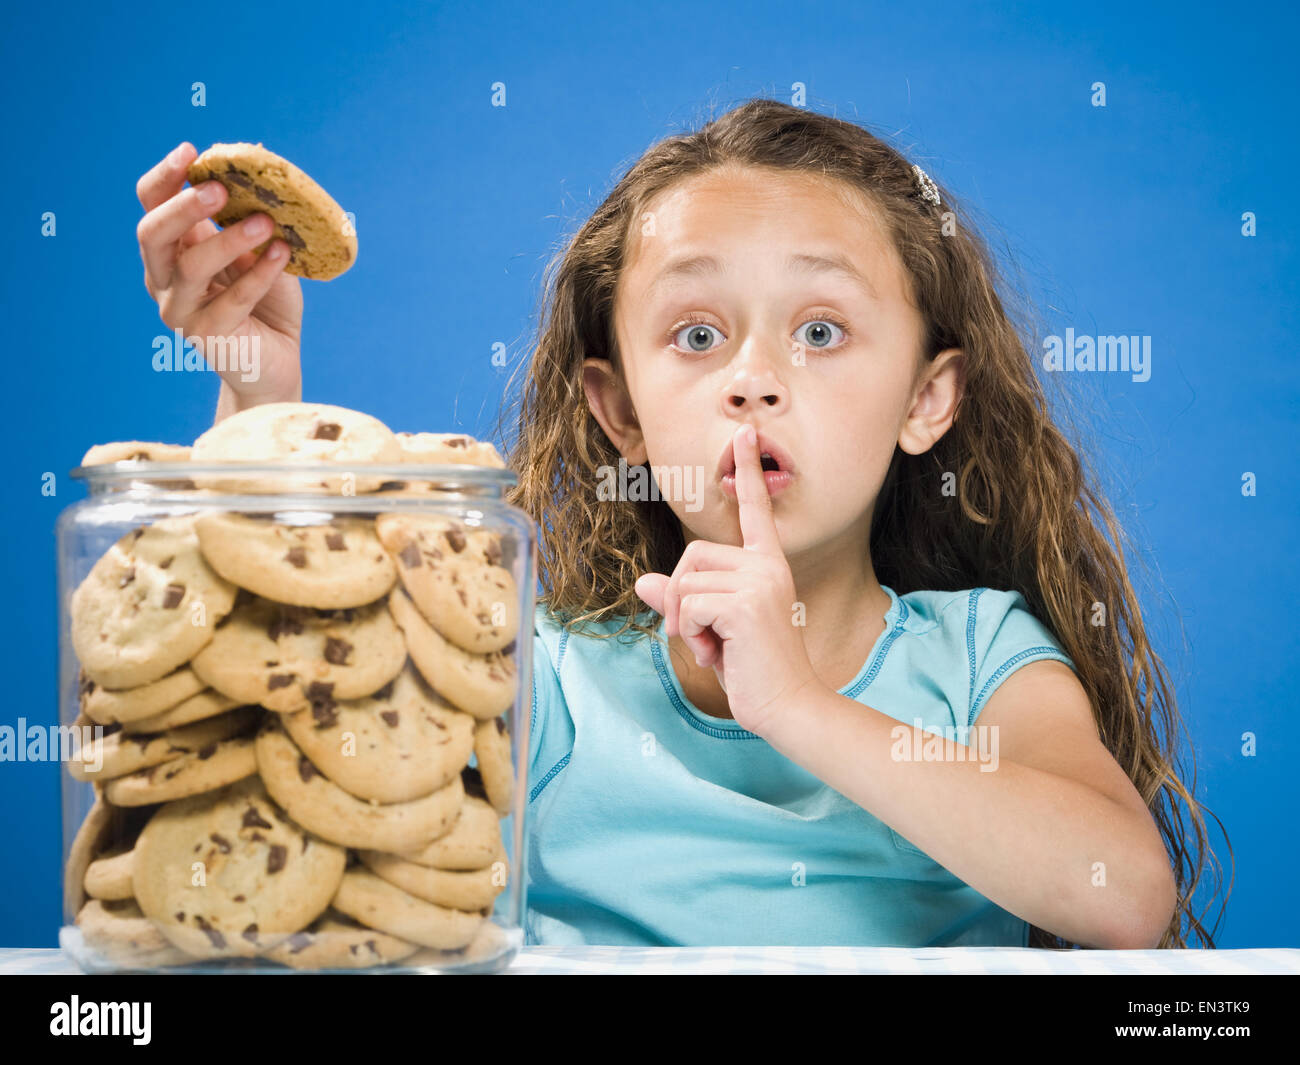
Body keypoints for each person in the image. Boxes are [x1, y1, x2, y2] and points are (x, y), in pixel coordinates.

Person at [134, 98, 1227, 950]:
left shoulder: (982, 660)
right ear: (620, 415)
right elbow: (291, 783)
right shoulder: (544, 679)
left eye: (819, 328)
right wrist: (257, 395)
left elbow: (1122, 895)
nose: (752, 379)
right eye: (697, 337)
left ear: (924, 400)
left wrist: (794, 705)